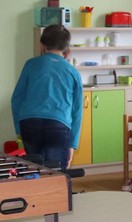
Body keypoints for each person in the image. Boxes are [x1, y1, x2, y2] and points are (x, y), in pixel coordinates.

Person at [11, 24, 83, 170]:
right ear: (67, 51)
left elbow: (16, 99)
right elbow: (77, 111)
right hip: (59, 124)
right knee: (56, 173)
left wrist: (19, 129)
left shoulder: (30, 65)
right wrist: (72, 144)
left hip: (29, 123)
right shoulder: (73, 72)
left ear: (42, 46)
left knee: (35, 168)